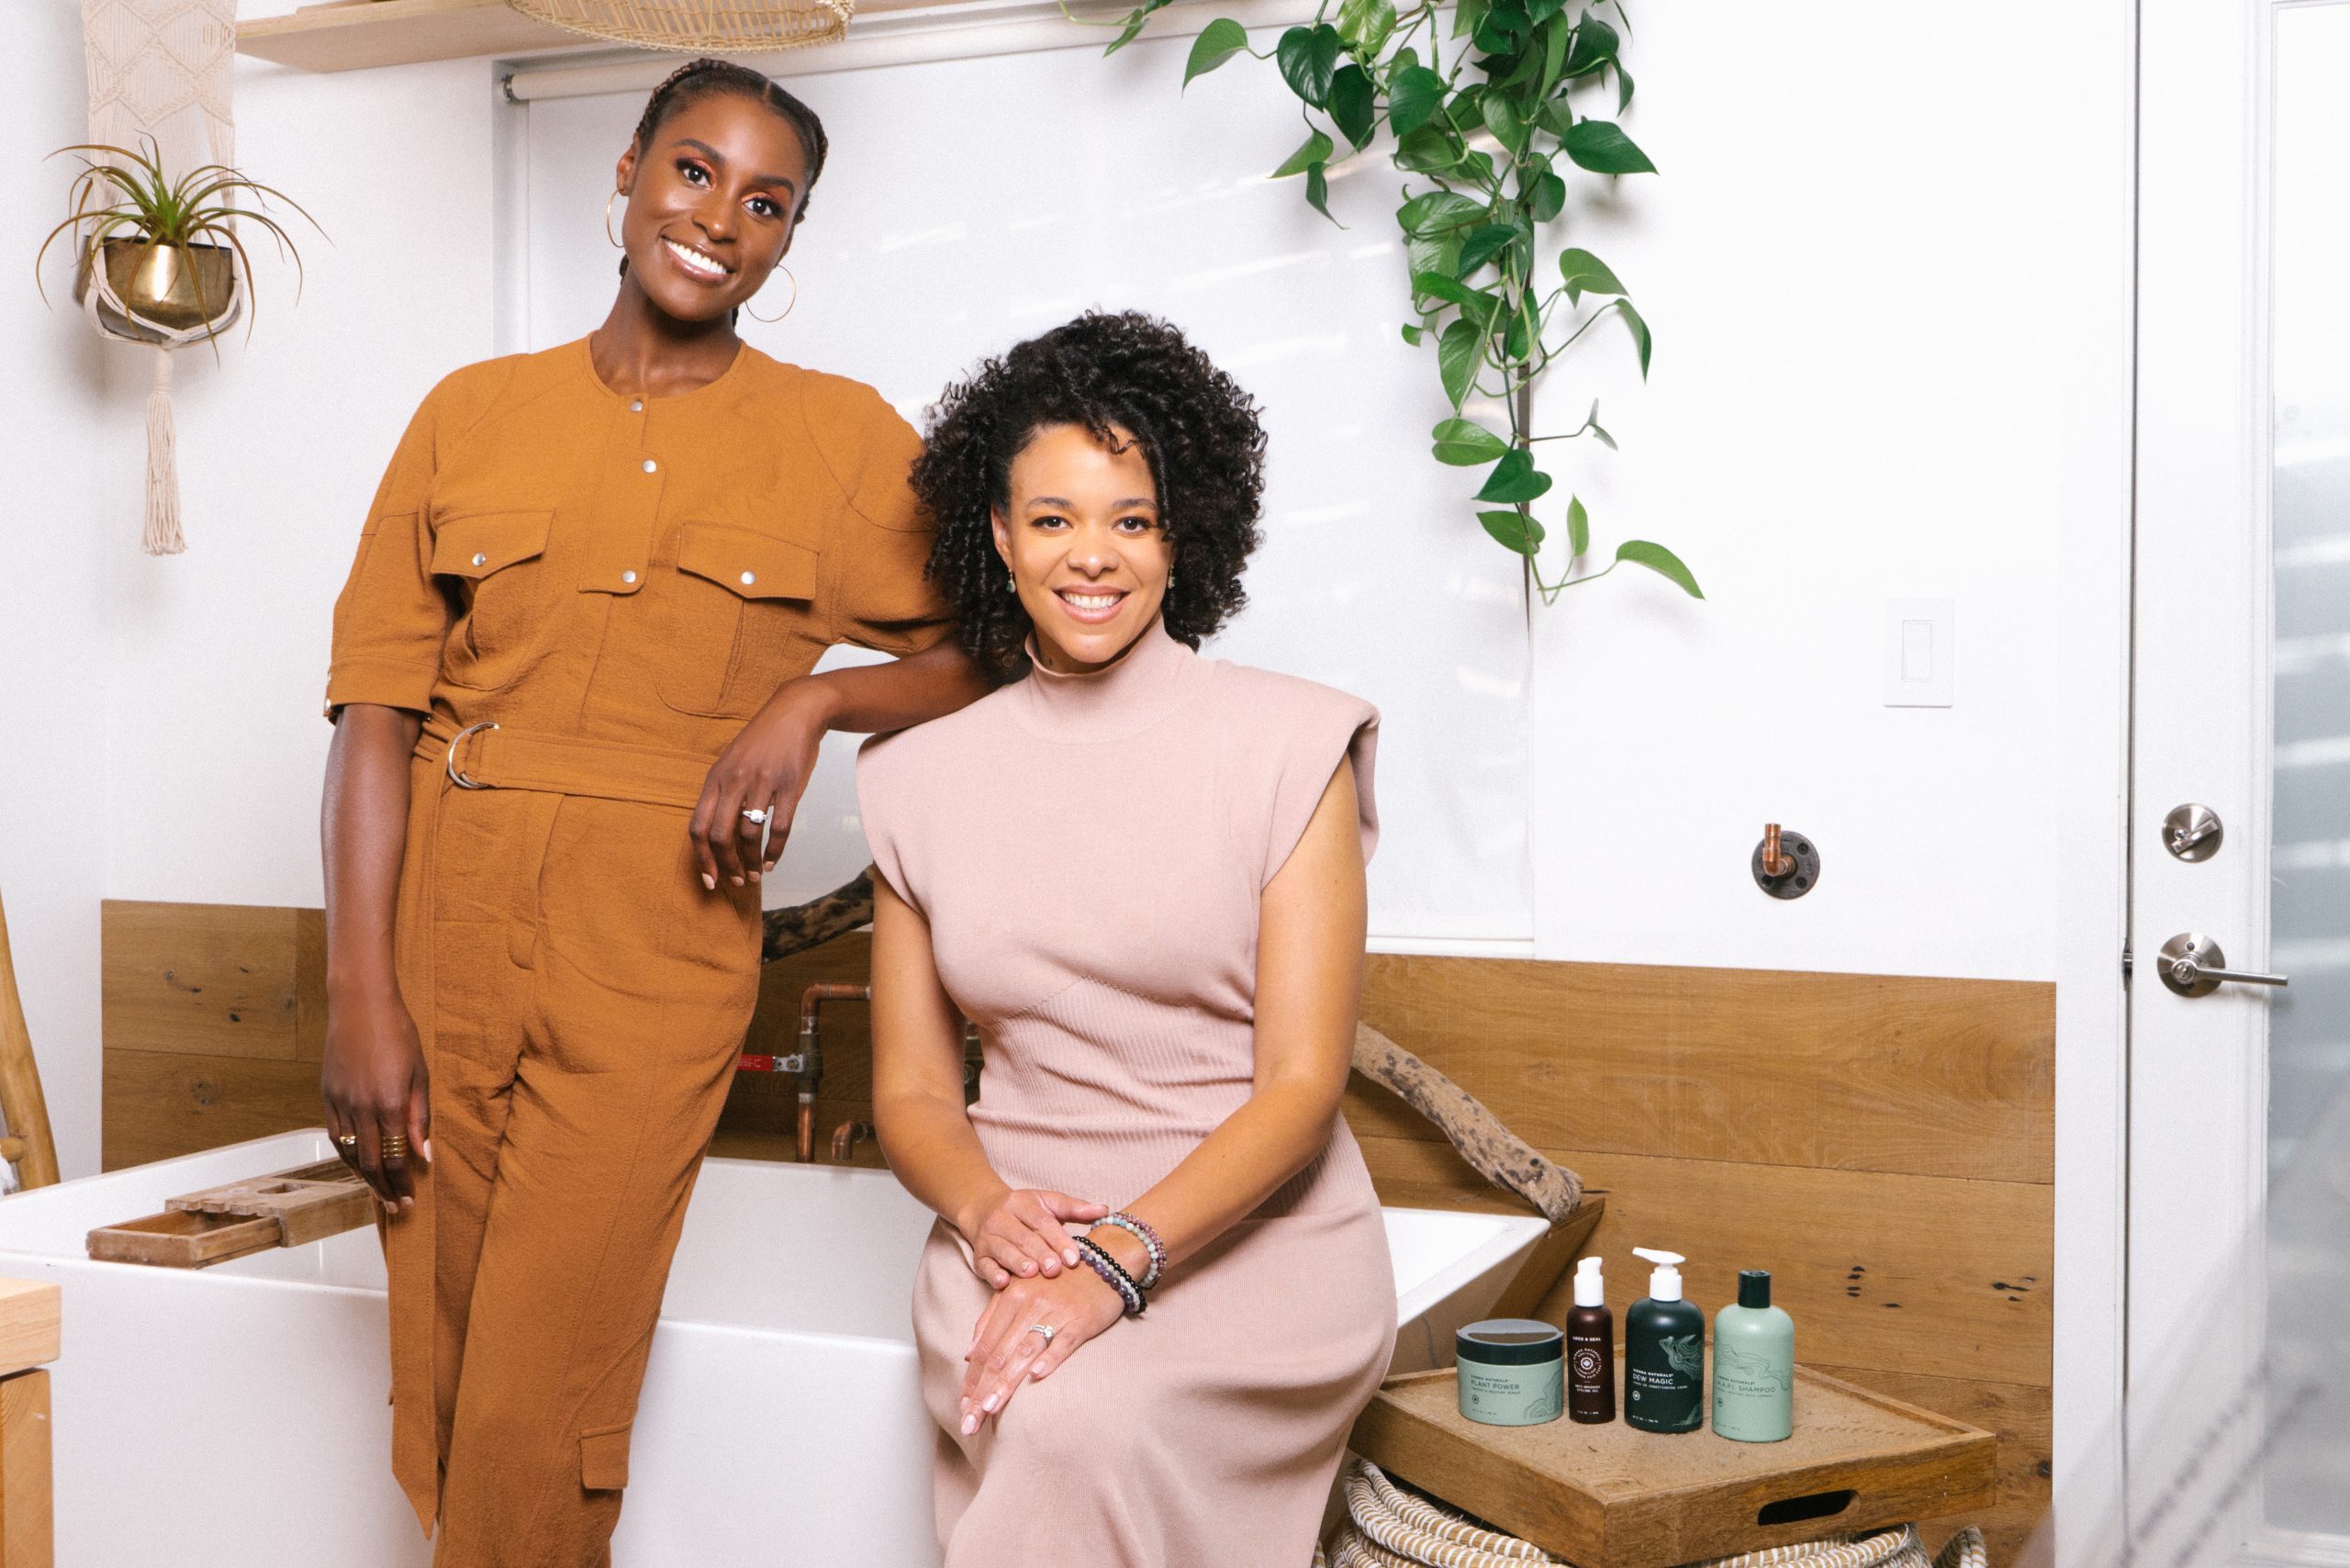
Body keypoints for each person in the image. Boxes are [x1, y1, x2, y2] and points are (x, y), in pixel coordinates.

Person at [317, 59, 985, 1564]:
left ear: (791, 236)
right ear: (626, 171)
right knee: (444, 1379)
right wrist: (362, 994)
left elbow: (994, 647)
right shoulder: (471, 412)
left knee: (534, 1401)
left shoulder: (839, 439)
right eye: (693, 171)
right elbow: (376, 714)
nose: (720, 220)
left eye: (768, 202)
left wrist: (814, 700)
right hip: (444, 920)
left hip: (655, 945)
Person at [861, 311, 1396, 1565]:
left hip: (1255, 1242)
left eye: (1132, 520)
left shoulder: (1293, 745)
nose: (1091, 556)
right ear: (1000, 536)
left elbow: (1301, 1089)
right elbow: (912, 1091)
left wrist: (1115, 1263)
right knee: (1054, 1416)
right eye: (1052, 519)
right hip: (1015, 1237)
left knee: (1077, 1425)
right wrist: (984, 1210)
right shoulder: (913, 779)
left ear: (1179, 536)